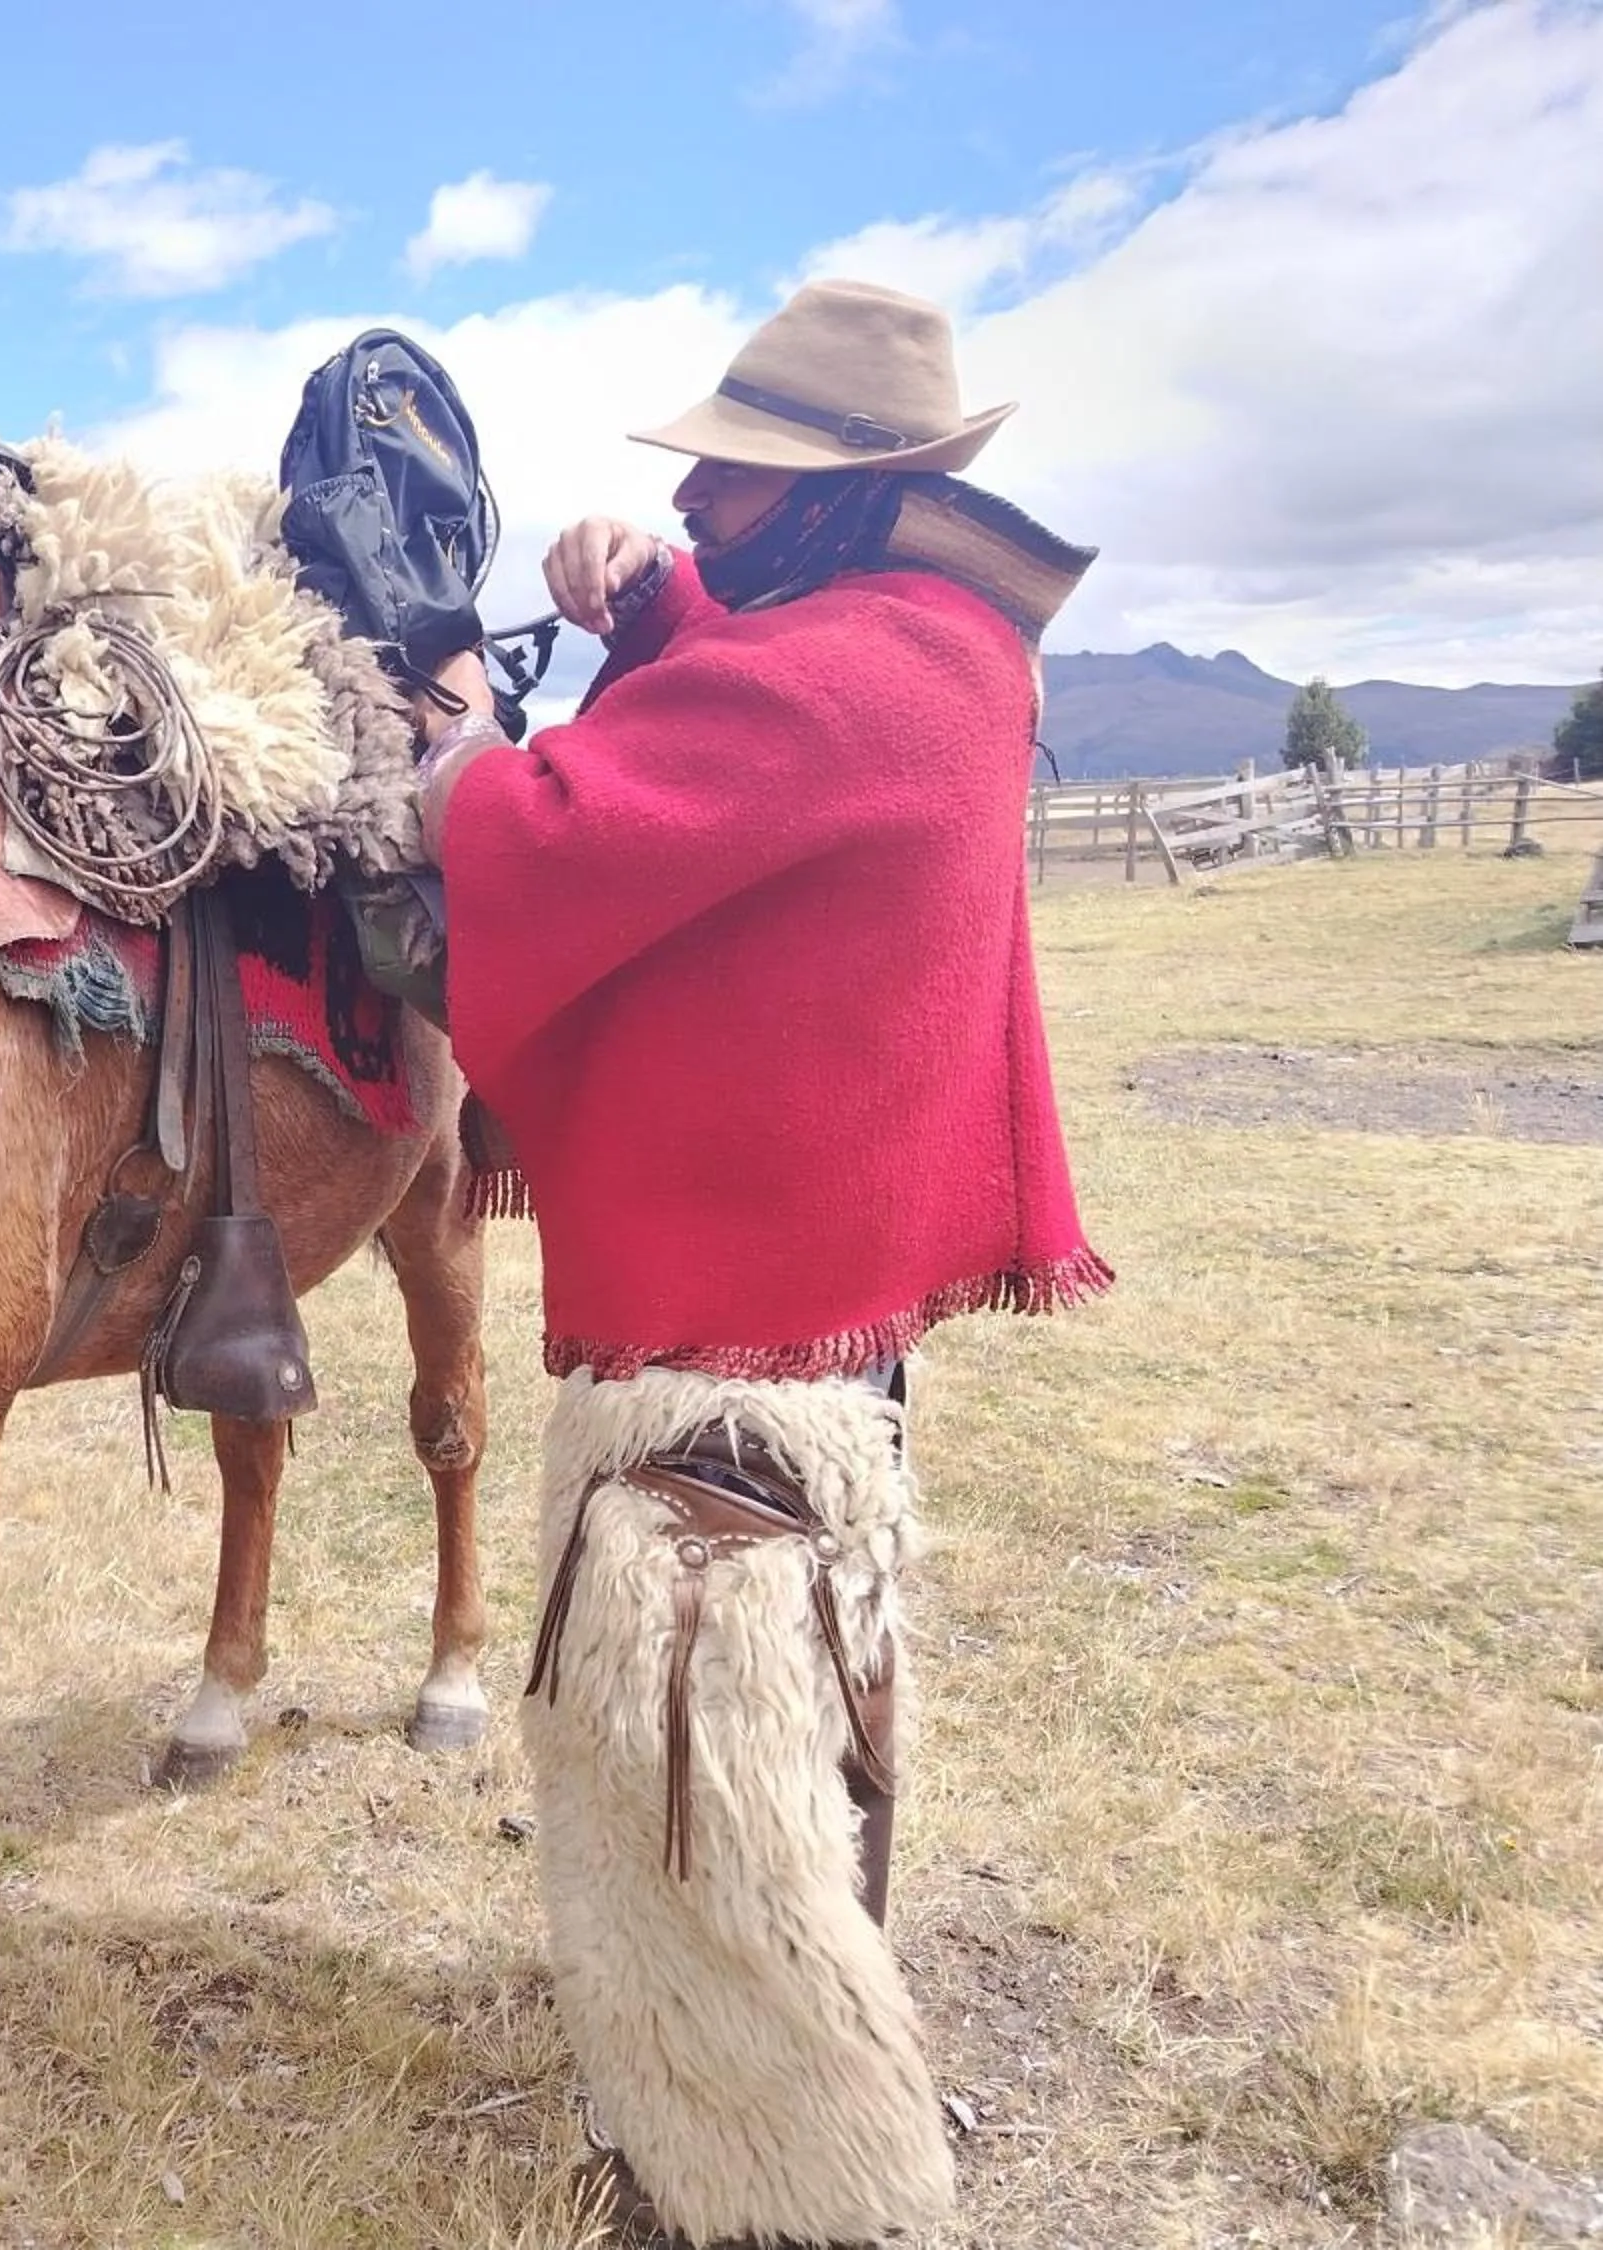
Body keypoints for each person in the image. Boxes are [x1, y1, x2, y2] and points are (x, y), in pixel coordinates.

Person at [410, 279, 1111, 2247]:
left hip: (735, 1326)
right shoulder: (926, 644)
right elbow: (748, 720)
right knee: (794, 1695)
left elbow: (560, 825)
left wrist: (458, 745)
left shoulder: (851, 677)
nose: (701, 497)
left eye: (739, 476)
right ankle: (754, 2067)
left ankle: (762, 2164)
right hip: (822, 1299)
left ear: (847, 490)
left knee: (703, 1726)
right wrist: (658, 610)